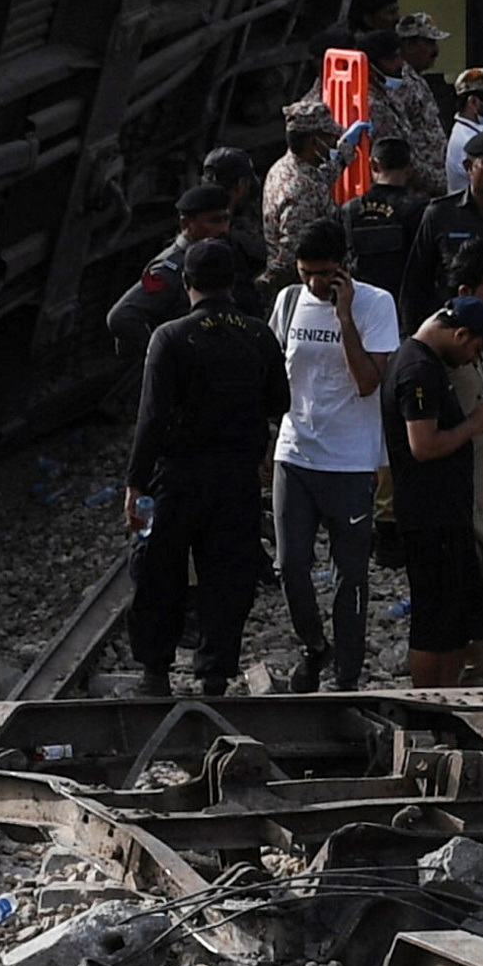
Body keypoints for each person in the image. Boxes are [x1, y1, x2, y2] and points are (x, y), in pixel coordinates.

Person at [124, 241, 287, 697]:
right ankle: (215, 672)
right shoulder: (259, 335)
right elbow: (281, 401)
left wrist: (135, 483)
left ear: (187, 284)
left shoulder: (171, 337)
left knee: (158, 569)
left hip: (177, 476)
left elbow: (151, 418)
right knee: (228, 574)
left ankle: (155, 672)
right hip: (236, 477)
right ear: (232, 284)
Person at [270, 218, 401, 688]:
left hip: (349, 461)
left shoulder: (376, 304)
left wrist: (344, 317)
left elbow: (367, 382)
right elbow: (274, 374)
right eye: (306, 273)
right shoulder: (288, 302)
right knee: (290, 565)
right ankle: (314, 646)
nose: (314, 284)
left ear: (344, 267)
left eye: (324, 274)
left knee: (351, 574)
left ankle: (348, 674)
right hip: (295, 453)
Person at [391, 299, 483, 683]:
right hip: (429, 515)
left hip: (447, 512)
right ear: (460, 334)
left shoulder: (428, 363)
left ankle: (447, 701)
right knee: (435, 624)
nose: (472, 360)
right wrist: (476, 424)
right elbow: (423, 445)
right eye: (475, 350)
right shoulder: (418, 368)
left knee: (457, 619)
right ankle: (430, 702)